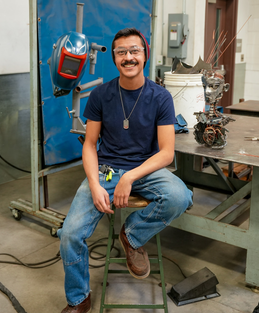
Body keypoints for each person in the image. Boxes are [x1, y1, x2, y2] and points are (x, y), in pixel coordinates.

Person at [58, 27, 193, 313]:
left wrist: (131, 176)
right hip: (107, 169)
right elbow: (90, 144)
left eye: (134, 51)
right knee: (69, 233)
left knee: (180, 196)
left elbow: (167, 152)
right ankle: (78, 299)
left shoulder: (160, 97)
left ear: (145, 55)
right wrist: (95, 184)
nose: (128, 57)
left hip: (145, 169)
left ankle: (131, 235)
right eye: (122, 52)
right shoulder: (101, 95)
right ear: (115, 58)